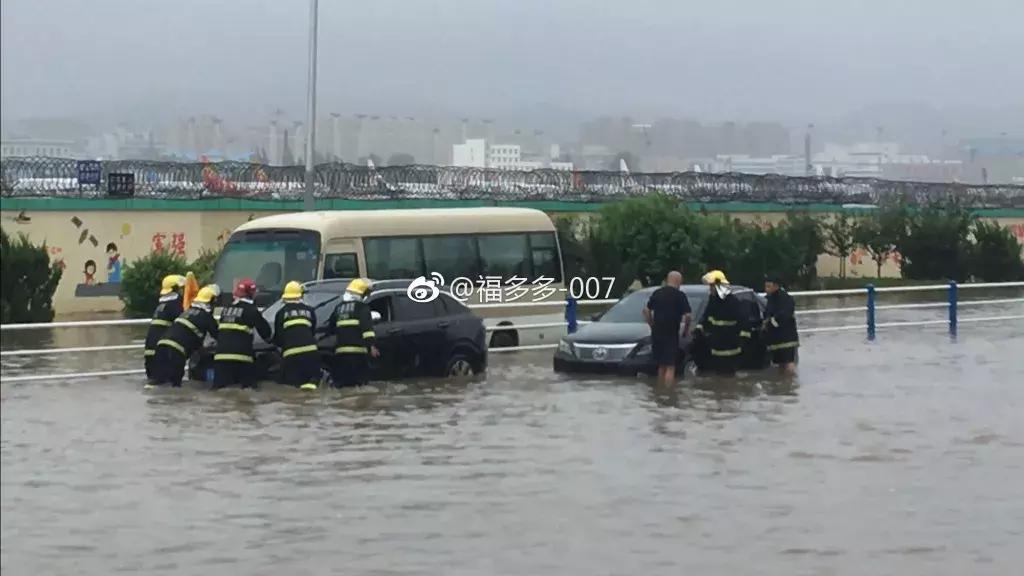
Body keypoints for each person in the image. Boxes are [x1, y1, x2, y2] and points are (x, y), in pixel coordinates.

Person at [152, 285, 220, 388]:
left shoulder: (186, 312)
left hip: (161, 346)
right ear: (212, 302)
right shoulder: (207, 318)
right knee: (175, 385)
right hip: (176, 350)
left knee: (160, 383)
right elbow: (219, 336)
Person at [212, 278, 272, 390]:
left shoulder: (226, 310)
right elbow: (266, 332)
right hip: (242, 359)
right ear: (252, 294)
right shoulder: (251, 310)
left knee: (219, 392)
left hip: (220, 358)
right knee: (249, 392)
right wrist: (272, 340)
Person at [642, 270, 692, 386]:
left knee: (661, 364)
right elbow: (688, 315)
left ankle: (660, 390)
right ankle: (668, 391)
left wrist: (651, 324)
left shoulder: (657, 293)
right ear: (678, 281)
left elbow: (646, 310)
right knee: (670, 365)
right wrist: (686, 330)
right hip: (671, 332)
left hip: (657, 332)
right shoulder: (679, 295)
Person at [328, 278, 379, 388]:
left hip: (340, 355)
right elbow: (367, 331)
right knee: (359, 386)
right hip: (357, 355)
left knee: (343, 387)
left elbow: (331, 327)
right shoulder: (362, 308)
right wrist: (372, 346)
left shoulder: (339, 308)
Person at [695, 270, 745, 375]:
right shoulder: (713, 300)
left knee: (729, 374)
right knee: (718, 374)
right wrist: (699, 328)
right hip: (716, 343)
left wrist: (741, 339)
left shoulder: (733, 302)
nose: (710, 289)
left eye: (712, 286)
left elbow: (742, 321)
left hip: (730, 344)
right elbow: (706, 316)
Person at [274, 281, 322, 391]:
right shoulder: (310, 311)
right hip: (311, 353)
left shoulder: (281, 313)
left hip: (292, 355)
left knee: (292, 388)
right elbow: (312, 330)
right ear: (300, 295)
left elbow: (279, 338)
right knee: (311, 384)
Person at [144, 274, 185, 383]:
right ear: (175, 289)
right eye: (181, 288)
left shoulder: (161, 305)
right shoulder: (174, 305)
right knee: (165, 384)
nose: (183, 291)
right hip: (160, 353)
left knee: (155, 384)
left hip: (150, 351)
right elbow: (183, 324)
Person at [763, 275, 799, 375]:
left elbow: (784, 316)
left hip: (787, 339)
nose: (766, 289)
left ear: (776, 286)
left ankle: (790, 385)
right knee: (779, 365)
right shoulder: (769, 299)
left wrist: (770, 322)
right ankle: (783, 386)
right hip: (775, 340)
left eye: (768, 286)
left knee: (788, 364)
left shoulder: (786, 299)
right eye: (765, 286)